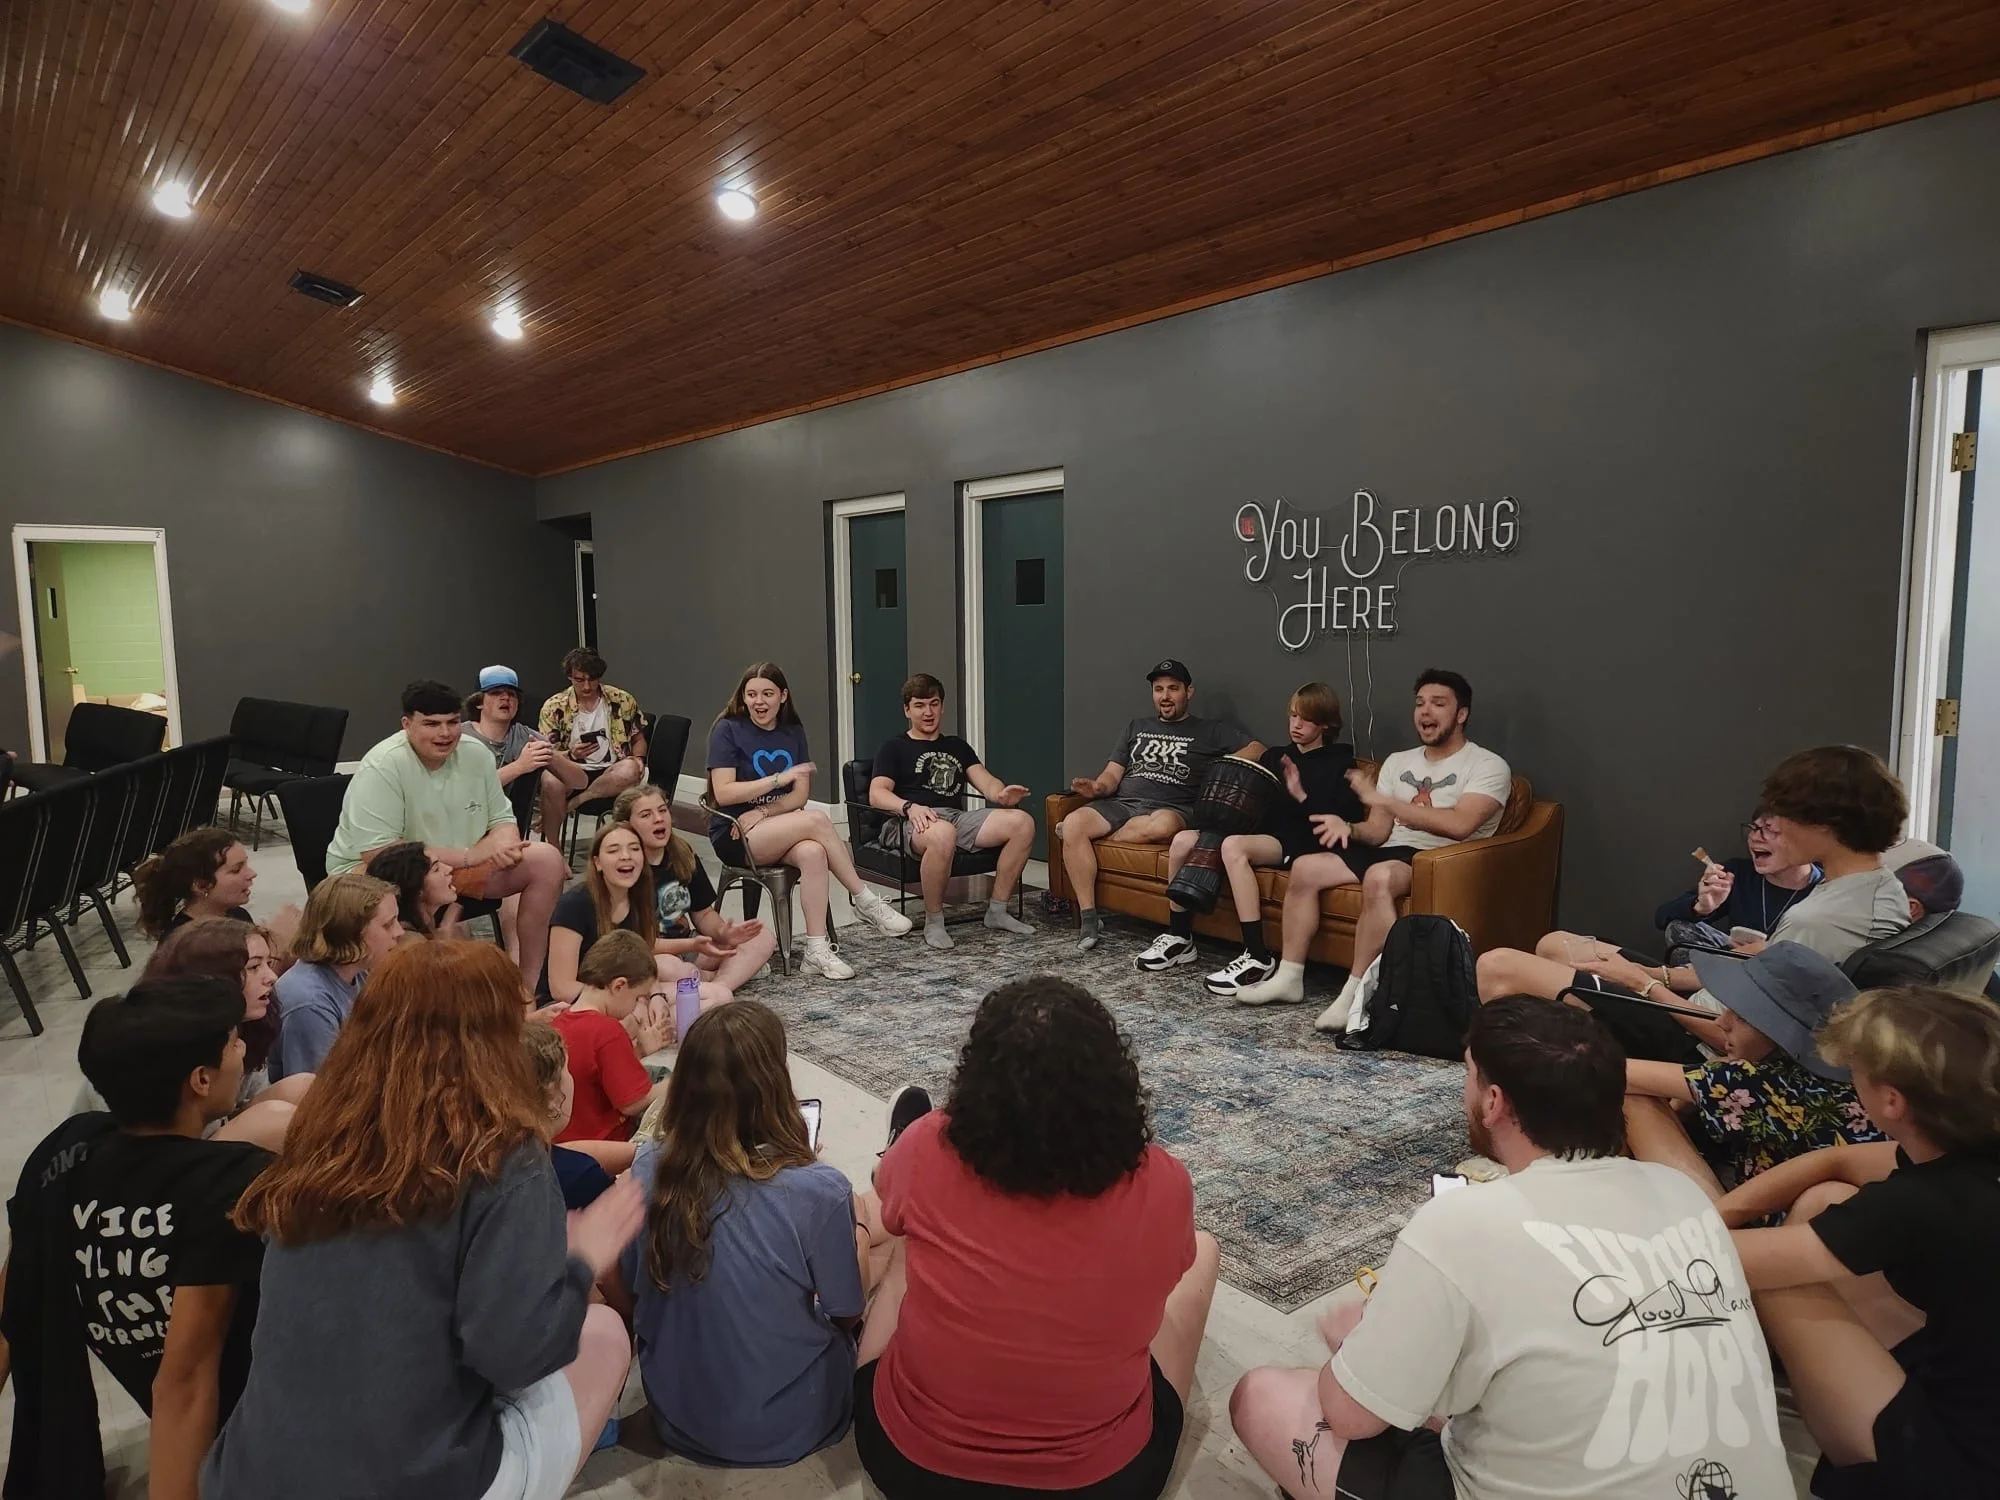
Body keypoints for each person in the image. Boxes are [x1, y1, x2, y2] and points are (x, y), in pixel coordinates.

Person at [1226, 995, 1791, 1500]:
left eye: (1468, 1075)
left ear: (1494, 1101)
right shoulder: (1684, 1195)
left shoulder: (1460, 1221)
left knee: (1265, 1395)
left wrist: (1352, 1354)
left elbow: (1351, 1417)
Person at [202, 941, 646, 1500]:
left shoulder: (321, 1131)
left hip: (249, 1472)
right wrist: (581, 1260)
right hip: (412, 1479)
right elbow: (512, 1354)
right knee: (602, 1335)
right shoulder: (504, 1154)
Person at [853, 975, 1222, 1498]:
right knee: (1202, 1250)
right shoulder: (1164, 1182)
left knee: (906, 1250)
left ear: (975, 1081)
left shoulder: (926, 1145)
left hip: (911, 1468)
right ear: (1115, 1084)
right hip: (1103, 1483)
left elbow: (888, 1212)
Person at [1720, 985, 2000, 1500]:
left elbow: (1716, 1257)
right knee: (1825, 1202)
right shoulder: (1970, 1150)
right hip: (1976, 1380)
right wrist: (1726, 1210)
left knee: (1779, 1276)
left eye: (1856, 1074)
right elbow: (1838, 1162)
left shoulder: (1924, 1202)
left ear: (1892, 1100)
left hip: (1961, 1468)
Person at [3, 977, 276, 1500]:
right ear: (200, 1078)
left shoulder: (62, 1155)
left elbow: (12, 1296)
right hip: (253, 1434)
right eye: (233, 1043)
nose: (243, 1051)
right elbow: (186, 1385)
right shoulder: (230, 1183)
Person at [1477, 744, 1912, 1065]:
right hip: (1703, 1000)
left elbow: (1735, 1041)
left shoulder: (1820, 920)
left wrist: (1642, 984)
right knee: (1557, 944)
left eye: (1784, 818)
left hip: (1692, 1035)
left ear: (1826, 825)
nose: (1773, 829)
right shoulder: (1878, 887)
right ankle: (1573, 1042)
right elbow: (1772, 975)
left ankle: (1548, 1081)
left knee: (1498, 967)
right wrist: (1657, 971)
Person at [603, 1000, 873, 1467]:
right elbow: (847, 1312)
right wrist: (861, 1230)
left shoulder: (648, 1166)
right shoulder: (818, 1189)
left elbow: (627, 1288)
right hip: (796, 1420)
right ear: (776, 1084)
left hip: (678, 1417)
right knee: (876, 1234)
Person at [1235, 669, 1508, 1018]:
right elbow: (1378, 831)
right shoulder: (1398, 761)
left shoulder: (1487, 765)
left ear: (1462, 714)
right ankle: (1290, 975)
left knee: (1379, 876)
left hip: (1442, 857)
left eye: (1438, 704)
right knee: (1305, 867)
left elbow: (1460, 824)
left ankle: (1356, 991)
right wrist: (1347, 827)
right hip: (1392, 849)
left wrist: (1382, 801)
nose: (1426, 712)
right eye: (1420, 703)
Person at [325, 678, 568, 986]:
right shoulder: (383, 765)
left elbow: (502, 819)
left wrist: (504, 844)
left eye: (452, 722)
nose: (444, 733)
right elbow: (379, 852)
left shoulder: (476, 755)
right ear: (407, 724)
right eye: (431, 724)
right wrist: (468, 857)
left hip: (452, 865)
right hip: (378, 872)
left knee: (547, 860)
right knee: (422, 882)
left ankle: (528, 984)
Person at [1139, 682, 1364, 993]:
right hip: (1262, 832)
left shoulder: (1340, 763)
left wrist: (1301, 794)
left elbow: (1344, 819)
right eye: (1293, 716)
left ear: (1325, 723)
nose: (1296, 725)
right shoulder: (1276, 757)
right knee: (1182, 841)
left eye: (1306, 719)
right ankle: (1179, 937)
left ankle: (1258, 956)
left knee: (1233, 847)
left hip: (1301, 842)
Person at [1623, 942, 1884, 1200]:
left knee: (1635, 1099)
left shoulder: (1768, 1083)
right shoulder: (1848, 1074)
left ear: (1781, 1033)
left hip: (1765, 1232)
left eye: (1743, 1016)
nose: (1721, 1022)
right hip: (1823, 1220)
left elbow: (1614, 1072)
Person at [706, 661, 913, 981]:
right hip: (733, 833)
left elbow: (799, 795)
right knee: (817, 820)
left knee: (814, 852)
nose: (759, 702)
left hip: (771, 824)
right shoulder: (728, 728)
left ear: (783, 696)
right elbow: (724, 793)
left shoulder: (793, 732)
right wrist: (777, 779)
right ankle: (865, 899)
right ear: (743, 698)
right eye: (751, 695)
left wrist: (762, 811)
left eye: (767, 694)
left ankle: (816, 950)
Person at [1060, 659, 1260, 955]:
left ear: (1188, 692)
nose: (1165, 696)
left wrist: (1221, 768)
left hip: (1172, 808)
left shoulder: (1209, 730)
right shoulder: (1136, 727)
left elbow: (1258, 749)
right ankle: (1089, 918)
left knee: (1163, 826)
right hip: (1124, 804)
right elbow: (1112, 776)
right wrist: (1097, 788)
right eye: (1158, 689)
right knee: (1076, 822)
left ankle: (1087, 839)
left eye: (1173, 689)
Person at [866, 672, 1038, 951]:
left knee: (1022, 822)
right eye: (920, 705)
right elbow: (877, 793)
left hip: (954, 817)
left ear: (942, 707)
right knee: (943, 833)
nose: (928, 712)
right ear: (907, 710)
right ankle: (934, 921)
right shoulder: (894, 747)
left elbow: (986, 780)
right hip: (906, 819)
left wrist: (1001, 794)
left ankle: (997, 911)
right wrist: (910, 807)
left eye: (934, 704)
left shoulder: (956, 746)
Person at [142, 919, 314, 1142]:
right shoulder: (163, 1039)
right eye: (254, 967)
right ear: (212, 978)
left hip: (216, 1127)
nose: (272, 977)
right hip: (167, 1152)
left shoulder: (247, 1025)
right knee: (276, 1120)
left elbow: (249, 1099)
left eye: (268, 964)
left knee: (302, 1086)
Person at [613, 782, 777, 998]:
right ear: (626, 825)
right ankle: (715, 980)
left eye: (663, 810)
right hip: (648, 952)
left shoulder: (682, 854)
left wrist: (724, 932)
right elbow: (633, 944)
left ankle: (717, 987)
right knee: (672, 969)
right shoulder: (624, 868)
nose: (659, 818)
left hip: (689, 946)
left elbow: (703, 914)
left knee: (763, 937)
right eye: (646, 815)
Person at [266, 872, 400, 1082]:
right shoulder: (308, 1002)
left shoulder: (360, 972)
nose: (399, 932)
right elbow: (319, 1091)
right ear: (352, 933)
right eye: (388, 925)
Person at [549, 929, 670, 1143]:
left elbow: (594, 1075)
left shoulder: (557, 1022)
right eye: (637, 997)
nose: (635, 1006)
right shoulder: (607, 1031)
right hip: (605, 1142)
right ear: (619, 986)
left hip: (564, 1141)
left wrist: (640, 1051)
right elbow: (633, 1102)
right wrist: (680, 1081)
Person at [465, 663, 590, 844]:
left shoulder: (527, 737)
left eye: (511, 694)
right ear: (478, 702)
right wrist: (519, 767)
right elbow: (468, 794)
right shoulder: (460, 737)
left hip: (510, 832)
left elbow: (580, 782)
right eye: (495, 693)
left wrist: (550, 754)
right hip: (465, 832)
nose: (505, 698)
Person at [1653, 813, 1821, 947]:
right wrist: (1701, 907)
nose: (1755, 837)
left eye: (1769, 830)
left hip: (1788, 978)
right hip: (1731, 966)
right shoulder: (1738, 873)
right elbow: (1662, 917)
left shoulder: (1828, 888)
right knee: (1678, 928)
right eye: (1753, 828)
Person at [133, 826, 301, 951]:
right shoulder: (184, 944)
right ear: (200, 885)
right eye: (236, 869)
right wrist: (280, 943)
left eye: (247, 864)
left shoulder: (238, 915)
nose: (251, 874)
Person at [521, 1019, 625, 1209]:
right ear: (552, 1092)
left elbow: (567, 1151)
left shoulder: (489, 1160)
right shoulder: (581, 1177)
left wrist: (640, 1153)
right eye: (567, 1070)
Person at [538, 647, 648, 822]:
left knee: (630, 769)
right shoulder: (554, 707)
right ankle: (553, 845)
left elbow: (638, 738)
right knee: (550, 779)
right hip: (572, 770)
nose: (587, 686)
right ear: (570, 677)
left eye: (592, 679)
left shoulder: (622, 699)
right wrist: (571, 754)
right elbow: (547, 754)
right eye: (579, 680)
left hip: (613, 771)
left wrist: (639, 758)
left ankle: (580, 800)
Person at [364, 839, 460, 939]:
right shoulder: (409, 940)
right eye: (436, 869)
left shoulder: (426, 921)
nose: (449, 869)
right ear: (417, 888)